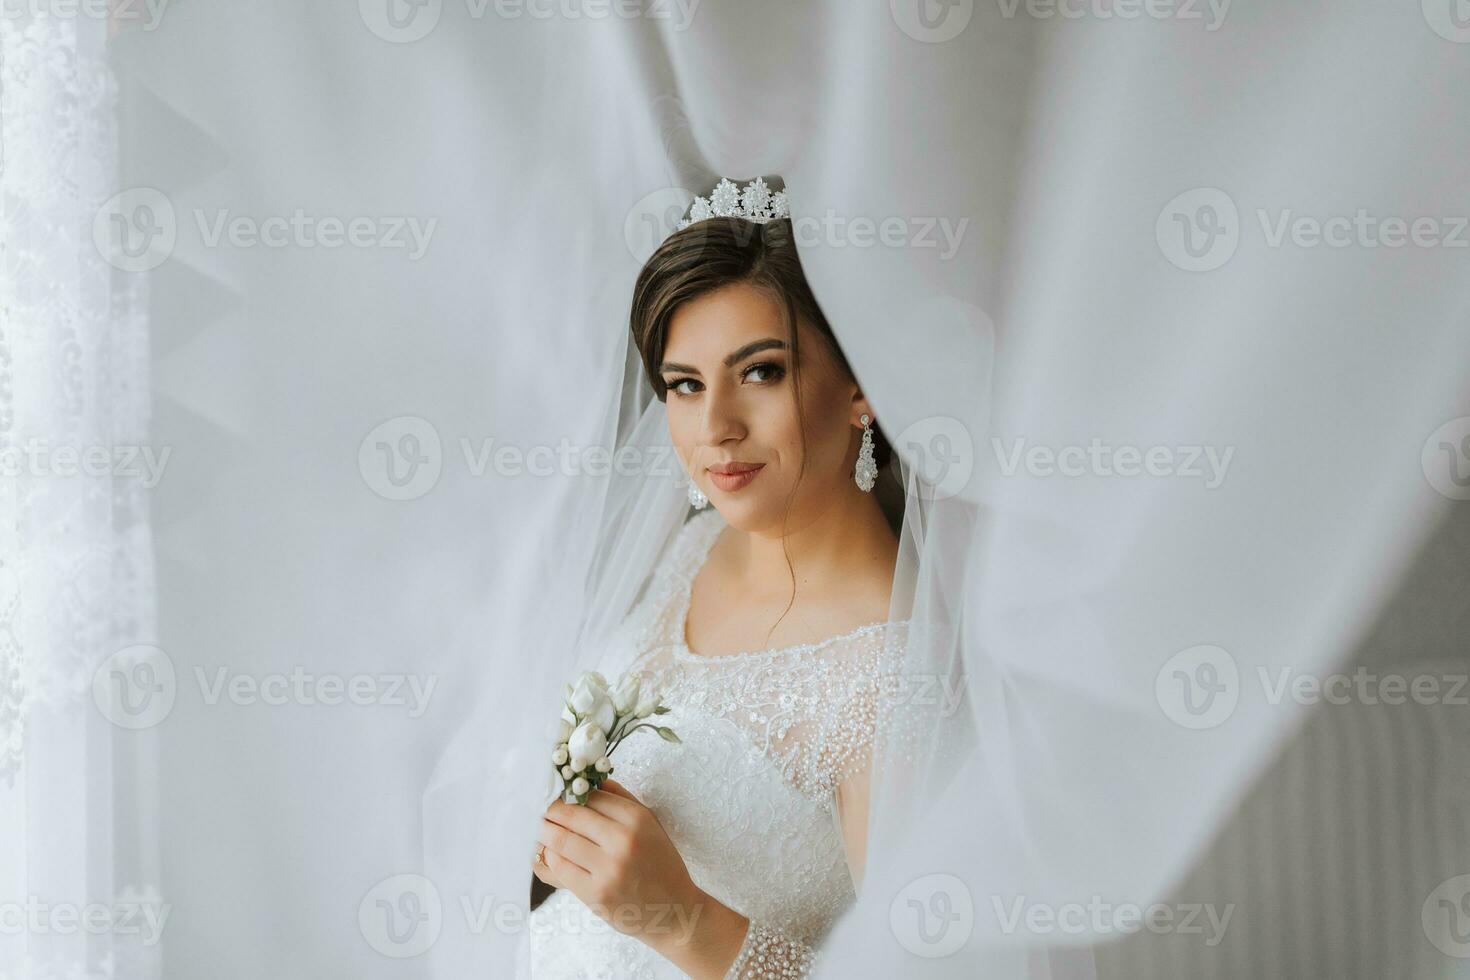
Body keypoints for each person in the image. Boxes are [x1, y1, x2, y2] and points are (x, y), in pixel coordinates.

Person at [525, 177, 911, 979]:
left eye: (762, 371)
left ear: (862, 387)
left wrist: (681, 920)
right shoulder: (689, 547)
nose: (715, 427)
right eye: (686, 384)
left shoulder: (903, 673)